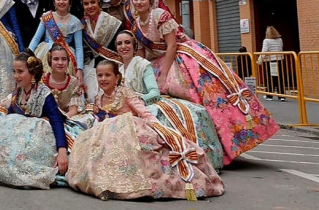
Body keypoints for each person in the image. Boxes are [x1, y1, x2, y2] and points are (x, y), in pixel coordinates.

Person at [127, 0, 278, 164]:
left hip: (182, 59)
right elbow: (143, 53)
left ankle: (228, 142)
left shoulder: (160, 16)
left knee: (207, 99)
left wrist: (163, 74)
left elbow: (172, 46)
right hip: (157, 62)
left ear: (150, 0)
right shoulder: (136, 24)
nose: (139, 2)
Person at [67, 60, 224, 201]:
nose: (103, 79)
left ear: (117, 77)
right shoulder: (97, 98)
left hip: (131, 129)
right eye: (100, 75)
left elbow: (144, 112)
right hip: (109, 135)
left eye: (108, 75)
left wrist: (158, 128)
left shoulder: (125, 93)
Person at [116, 30, 223, 171]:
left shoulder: (143, 65)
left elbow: (154, 93)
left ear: (134, 45)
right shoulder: (118, 69)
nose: (124, 46)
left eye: (127, 42)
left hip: (144, 105)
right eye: (119, 43)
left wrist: (137, 100)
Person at [0, 52, 68, 190]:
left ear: (32, 73)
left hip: (40, 134)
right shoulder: (17, 93)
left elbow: (56, 121)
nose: (16, 76)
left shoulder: (44, 94)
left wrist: (62, 151)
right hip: (22, 135)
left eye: (20, 72)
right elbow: (9, 120)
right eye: (14, 72)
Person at [28, 0, 84, 83]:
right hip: (45, 54)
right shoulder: (47, 17)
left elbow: (79, 47)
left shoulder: (75, 22)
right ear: (54, 1)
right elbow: (36, 38)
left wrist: (79, 69)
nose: (61, 2)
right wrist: (27, 56)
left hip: (66, 57)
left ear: (69, 1)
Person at [80, 0, 121, 100]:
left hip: (112, 64)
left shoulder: (112, 22)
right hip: (92, 65)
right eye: (86, 4)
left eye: (93, 2)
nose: (90, 6)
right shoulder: (83, 24)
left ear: (99, 2)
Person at [42, 43, 85, 116]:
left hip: (66, 118)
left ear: (68, 62)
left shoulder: (74, 83)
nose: (60, 63)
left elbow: (73, 111)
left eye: (64, 59)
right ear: (50, 61)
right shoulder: (42, 81)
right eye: (56, 59)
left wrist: (58, 121)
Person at [259, 26, 285, 101]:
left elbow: (264, 51)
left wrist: (260, 60)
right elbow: (281, 48)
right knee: (279, 78)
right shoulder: (280, 40)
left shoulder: (266, 41)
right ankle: (281, 96)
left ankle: (269, 95)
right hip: (279, 60)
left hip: (269, 61)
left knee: (269, 78)